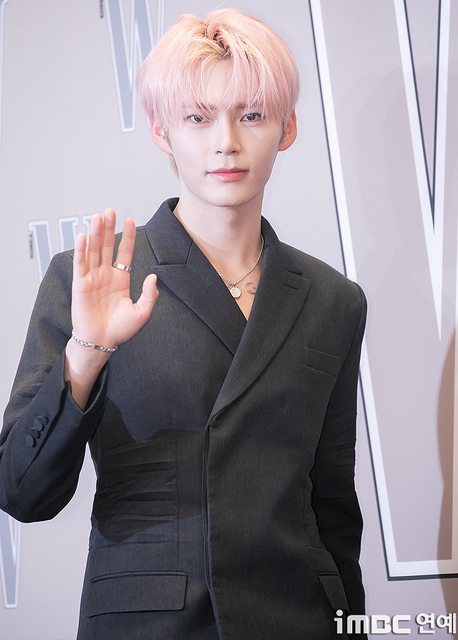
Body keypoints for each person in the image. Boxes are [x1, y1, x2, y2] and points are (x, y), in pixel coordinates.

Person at [0, 8, 367, 640]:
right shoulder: (96, 278)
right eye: (198, 118)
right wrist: (86, 352)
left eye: (251, 114)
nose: (226, 142)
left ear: (288, 127)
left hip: (295, 617)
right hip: (150, 622)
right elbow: (22, 492)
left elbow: (333, 507)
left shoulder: (333, 300)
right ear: (161, 130)